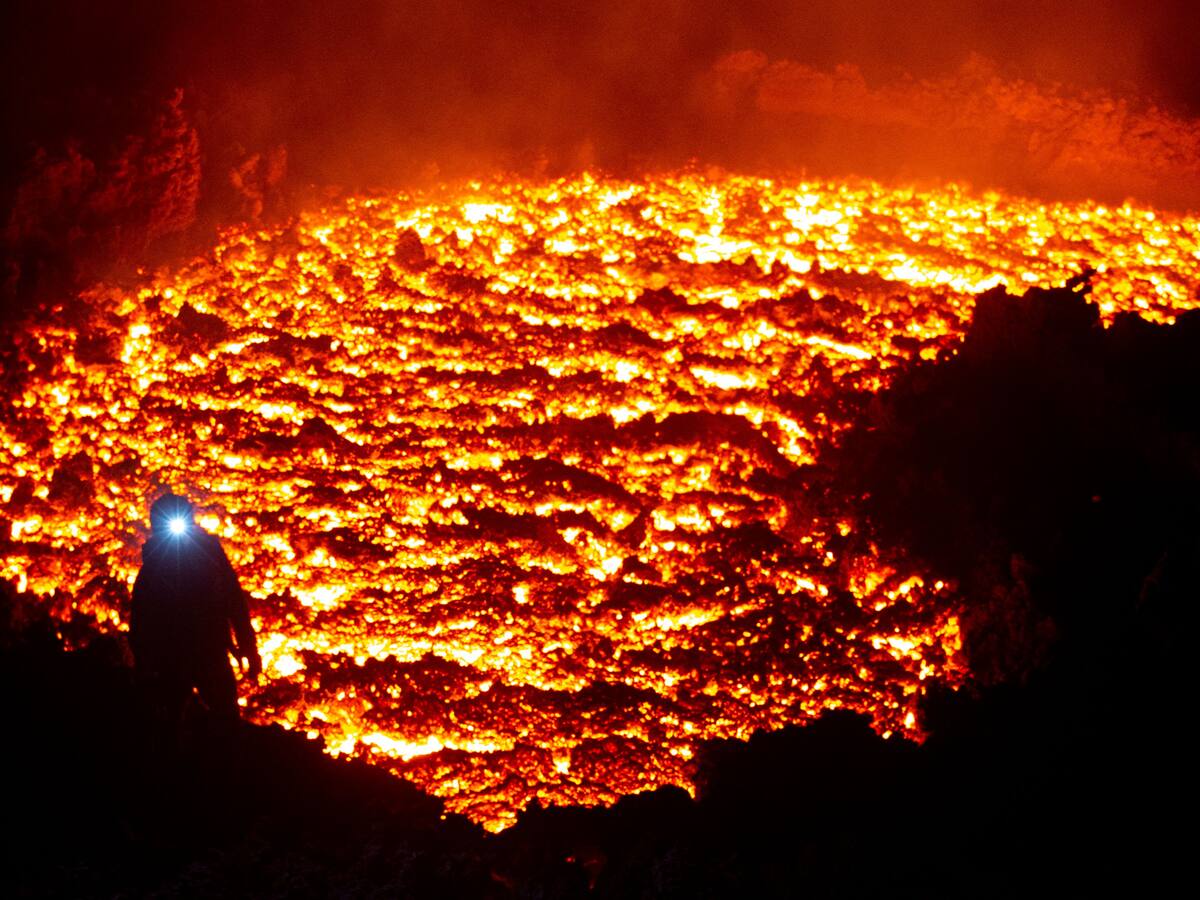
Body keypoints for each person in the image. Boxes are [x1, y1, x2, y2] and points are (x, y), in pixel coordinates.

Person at [130, 492, 261, 731]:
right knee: (178, 722)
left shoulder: (206, 554)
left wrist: (249, 647)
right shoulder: (159, 563)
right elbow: (142, 616)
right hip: (182, 653)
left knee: (220, 719)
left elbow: (233, 597)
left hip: (203, 650)